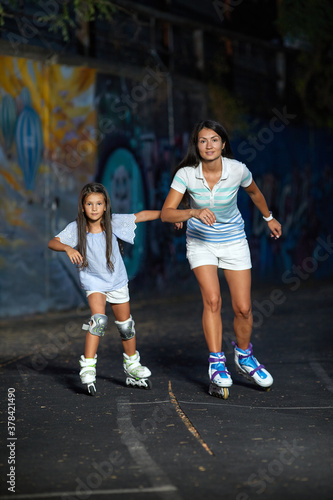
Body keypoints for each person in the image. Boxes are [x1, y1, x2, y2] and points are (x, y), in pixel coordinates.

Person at [161, 120, 282, 399]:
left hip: (234, 242)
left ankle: (244, 356)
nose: (209, 145)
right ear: (197, 145)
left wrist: (269, 217)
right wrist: (191, 213)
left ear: (223, 144)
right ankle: (217, 362)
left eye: (214, 140)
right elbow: (167, 213)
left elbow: (254, 192)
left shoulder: (237, 169)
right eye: (203, 141)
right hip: (201, 244)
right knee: (213, 300)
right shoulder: (187, 174)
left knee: (244, 308)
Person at [48, 182, 160, 396]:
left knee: (126, 326)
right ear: (82, 207)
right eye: (89, 204)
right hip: (94, 281)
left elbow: (142, 215)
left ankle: (132, 366)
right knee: (98, 320)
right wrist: (67, 248)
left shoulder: (113, 223)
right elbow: (52, 242)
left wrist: (173, 213)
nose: (94, 208)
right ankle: (88, 367)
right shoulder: (76, 229)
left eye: (99, 203)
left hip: (116, 281)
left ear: (105, 206)